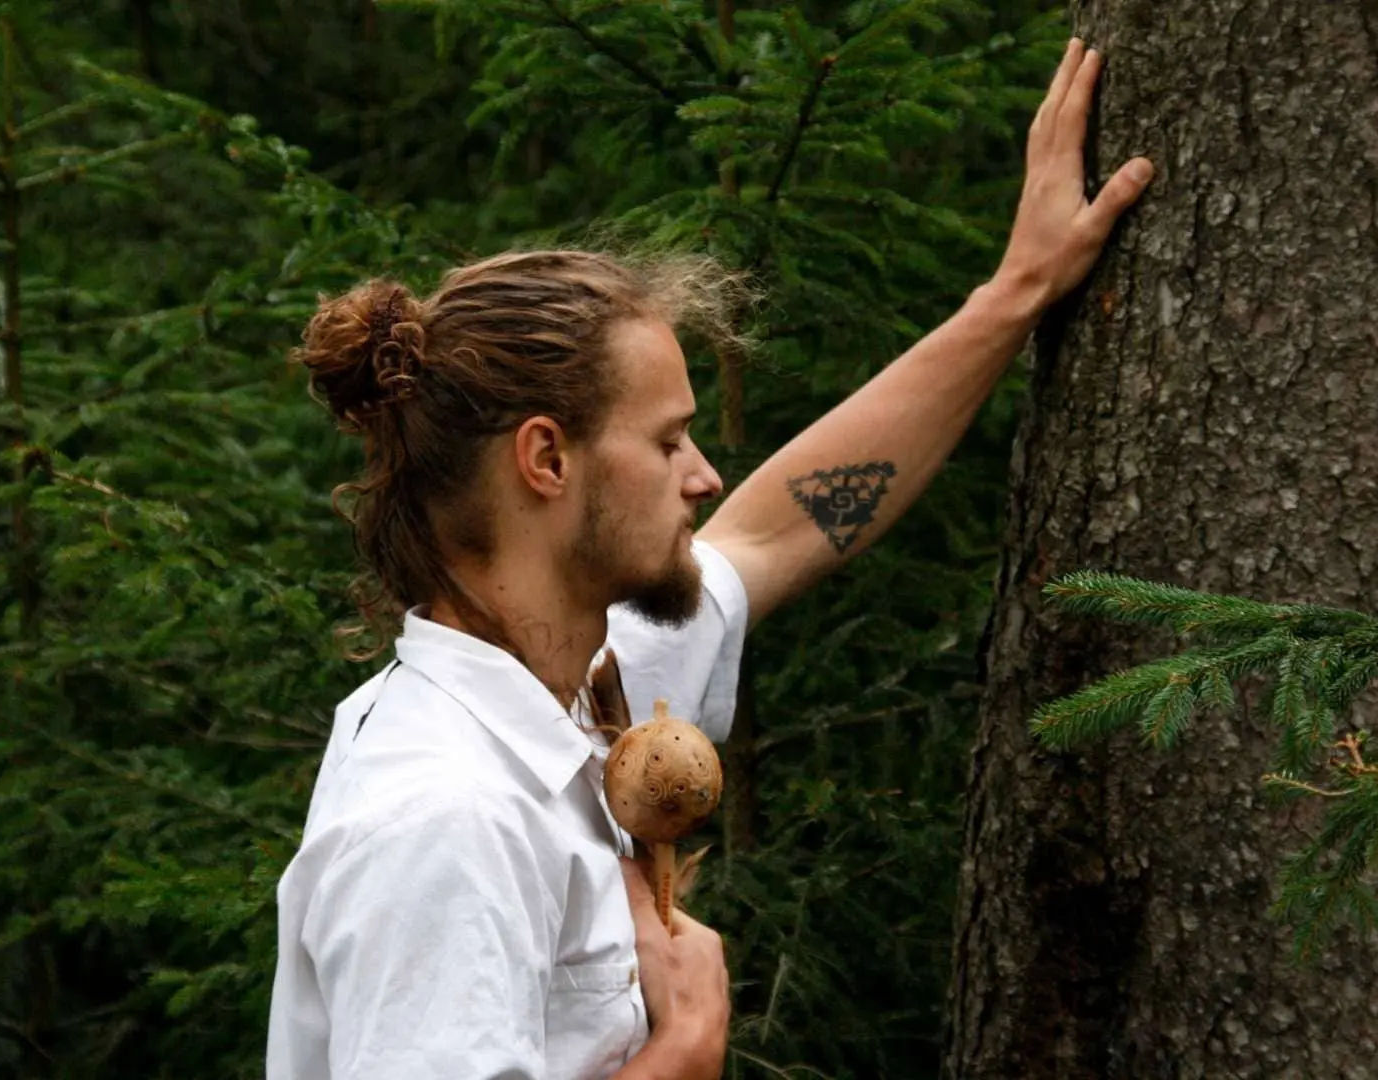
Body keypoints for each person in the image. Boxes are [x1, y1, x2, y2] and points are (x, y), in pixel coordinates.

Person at [266, 38, 1152, 1080]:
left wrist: (1018, 290)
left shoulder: (585, 683)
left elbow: (781, 527)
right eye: (666, 441)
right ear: (546, 458)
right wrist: (685, 1054)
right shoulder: (444, 818)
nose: (704, 474)